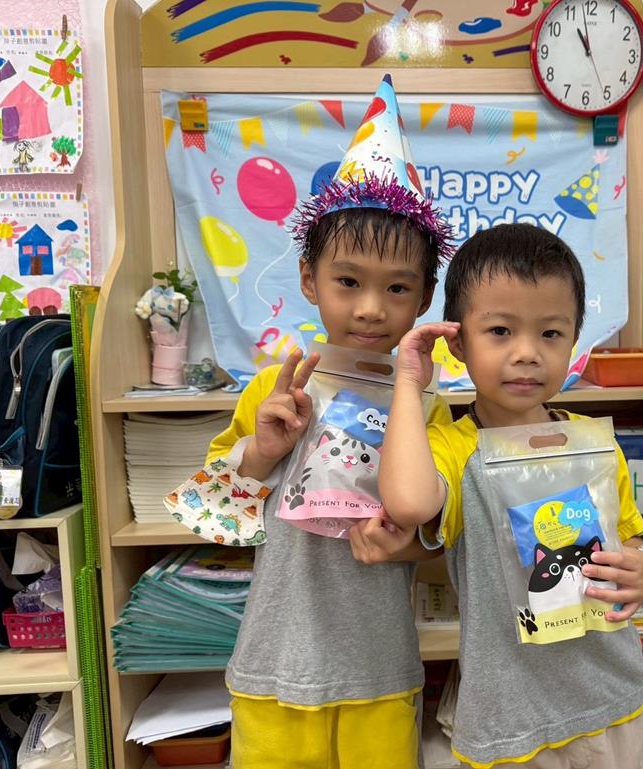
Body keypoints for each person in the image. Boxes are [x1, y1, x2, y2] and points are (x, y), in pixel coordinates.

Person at [165, 74, 452, 769]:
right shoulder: (277, 389)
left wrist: (408, 543)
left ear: (424, 298)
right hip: (274, 669)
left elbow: (440, 539)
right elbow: (211, 518)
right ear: (307, 278)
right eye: (347, 281)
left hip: (379, 670)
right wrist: (262, 452)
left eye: (398, 287)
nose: (370, 308)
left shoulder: (425, 404)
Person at [379, 224, 643, 768]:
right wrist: (407, 383)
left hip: (619, 704)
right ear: (458, 343)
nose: (527, 354)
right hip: (513, 724)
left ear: (574, 340)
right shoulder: (453, 448)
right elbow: (408, 503)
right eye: (500, 331)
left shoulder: (593, 443)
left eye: (551, 333)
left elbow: (632, 547)